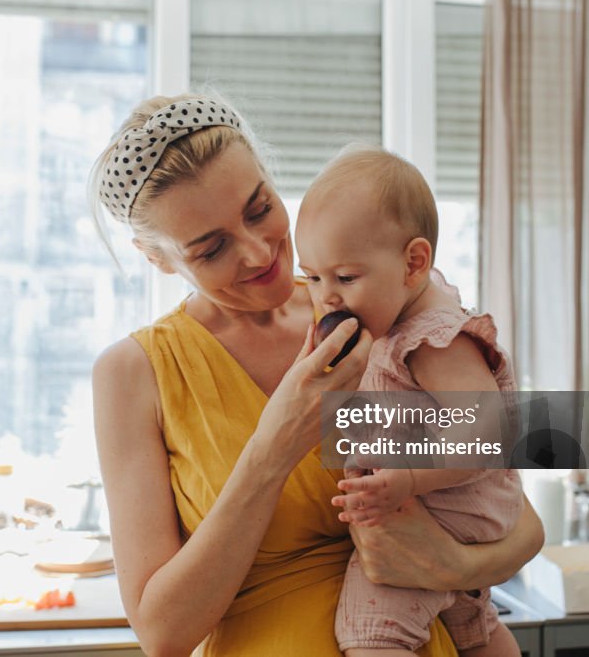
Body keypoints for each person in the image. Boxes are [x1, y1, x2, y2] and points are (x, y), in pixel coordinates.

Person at [89, 94, 544, 657]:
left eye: (259, 209)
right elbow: (162, 634)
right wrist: (274, 444)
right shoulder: (134, 373)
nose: (258, 253)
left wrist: (454, 564)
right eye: (211, 249)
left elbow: (514, 514)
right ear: (158, 259)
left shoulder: (370, 304)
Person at [295, 145, 523, 657]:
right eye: (312, 277)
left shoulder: (431, 339)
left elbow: (488, 429)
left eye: (345, 277)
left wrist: (412, 478)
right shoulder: (395, 312)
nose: (325, 298)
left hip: (439, 508)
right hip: (445, 509)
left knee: (371, 631)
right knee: (475, 627)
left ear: (414, 263)